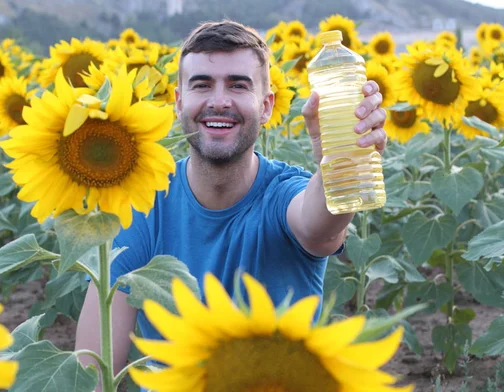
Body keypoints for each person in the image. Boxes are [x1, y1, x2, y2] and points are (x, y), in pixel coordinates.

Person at [75, 19, 387, 384]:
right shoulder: (143, 202)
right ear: (178, 103)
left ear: (267, 106)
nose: (219, 101)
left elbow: (318, 225)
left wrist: (337, 162)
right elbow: (92, 371)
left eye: (238, 85)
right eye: (202, 85)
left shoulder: (282, 192)